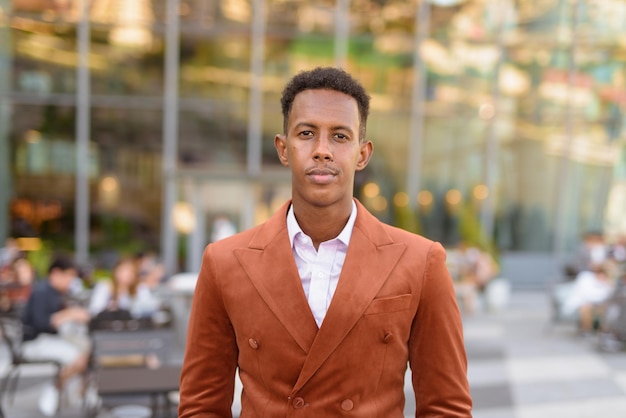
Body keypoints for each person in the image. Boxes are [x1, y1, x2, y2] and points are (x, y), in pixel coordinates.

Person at [178, 67, 472, 417]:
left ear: (362, 154)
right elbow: (201, 406)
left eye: (340, 136)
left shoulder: (421, 262)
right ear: (283, 149)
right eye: (306, 133)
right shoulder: (224, 262)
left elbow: (446, 407)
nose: (322, 151)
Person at [21, 254, 92, 416]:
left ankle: (80, 392)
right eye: (69, 276)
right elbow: (41, 323)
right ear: (57, 273)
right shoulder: (41, 292)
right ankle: (54, 389)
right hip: (35, 341)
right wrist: (69, 314)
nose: (70, 281)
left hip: (50, 338)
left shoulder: (55, 292)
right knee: (79, 357)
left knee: (87, 345)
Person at [88, 256, 162, 319]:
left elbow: (151, 306)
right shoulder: (105, 286)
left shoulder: (140, 288)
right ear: (116, 271)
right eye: (124, 271)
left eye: (131, 271)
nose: (127, 275)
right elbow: (95, 309)